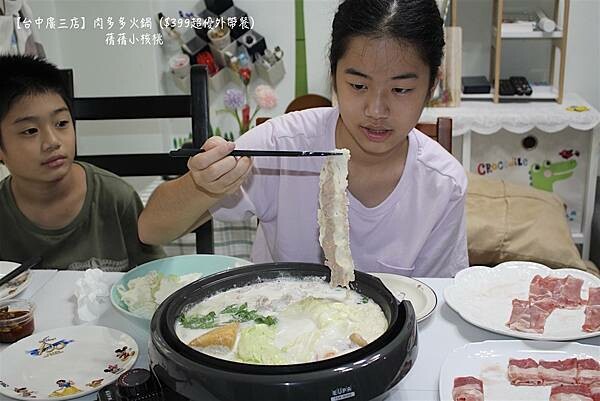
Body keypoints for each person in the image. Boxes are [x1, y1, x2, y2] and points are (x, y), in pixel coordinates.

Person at [139, 0, 468, 277]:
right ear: (333, 75)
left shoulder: (443, 184)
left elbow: (434, 298)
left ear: (432, 85)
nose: (376, 110)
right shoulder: (284, 143)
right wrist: (202, 185)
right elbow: (150, 229)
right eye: (358, 85)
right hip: (277, 326)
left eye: (401, 89)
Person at [0, 54, 165, 270]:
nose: (52, 142)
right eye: (30, 131)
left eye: (61, 123)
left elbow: (156, 276)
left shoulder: (115, 198)